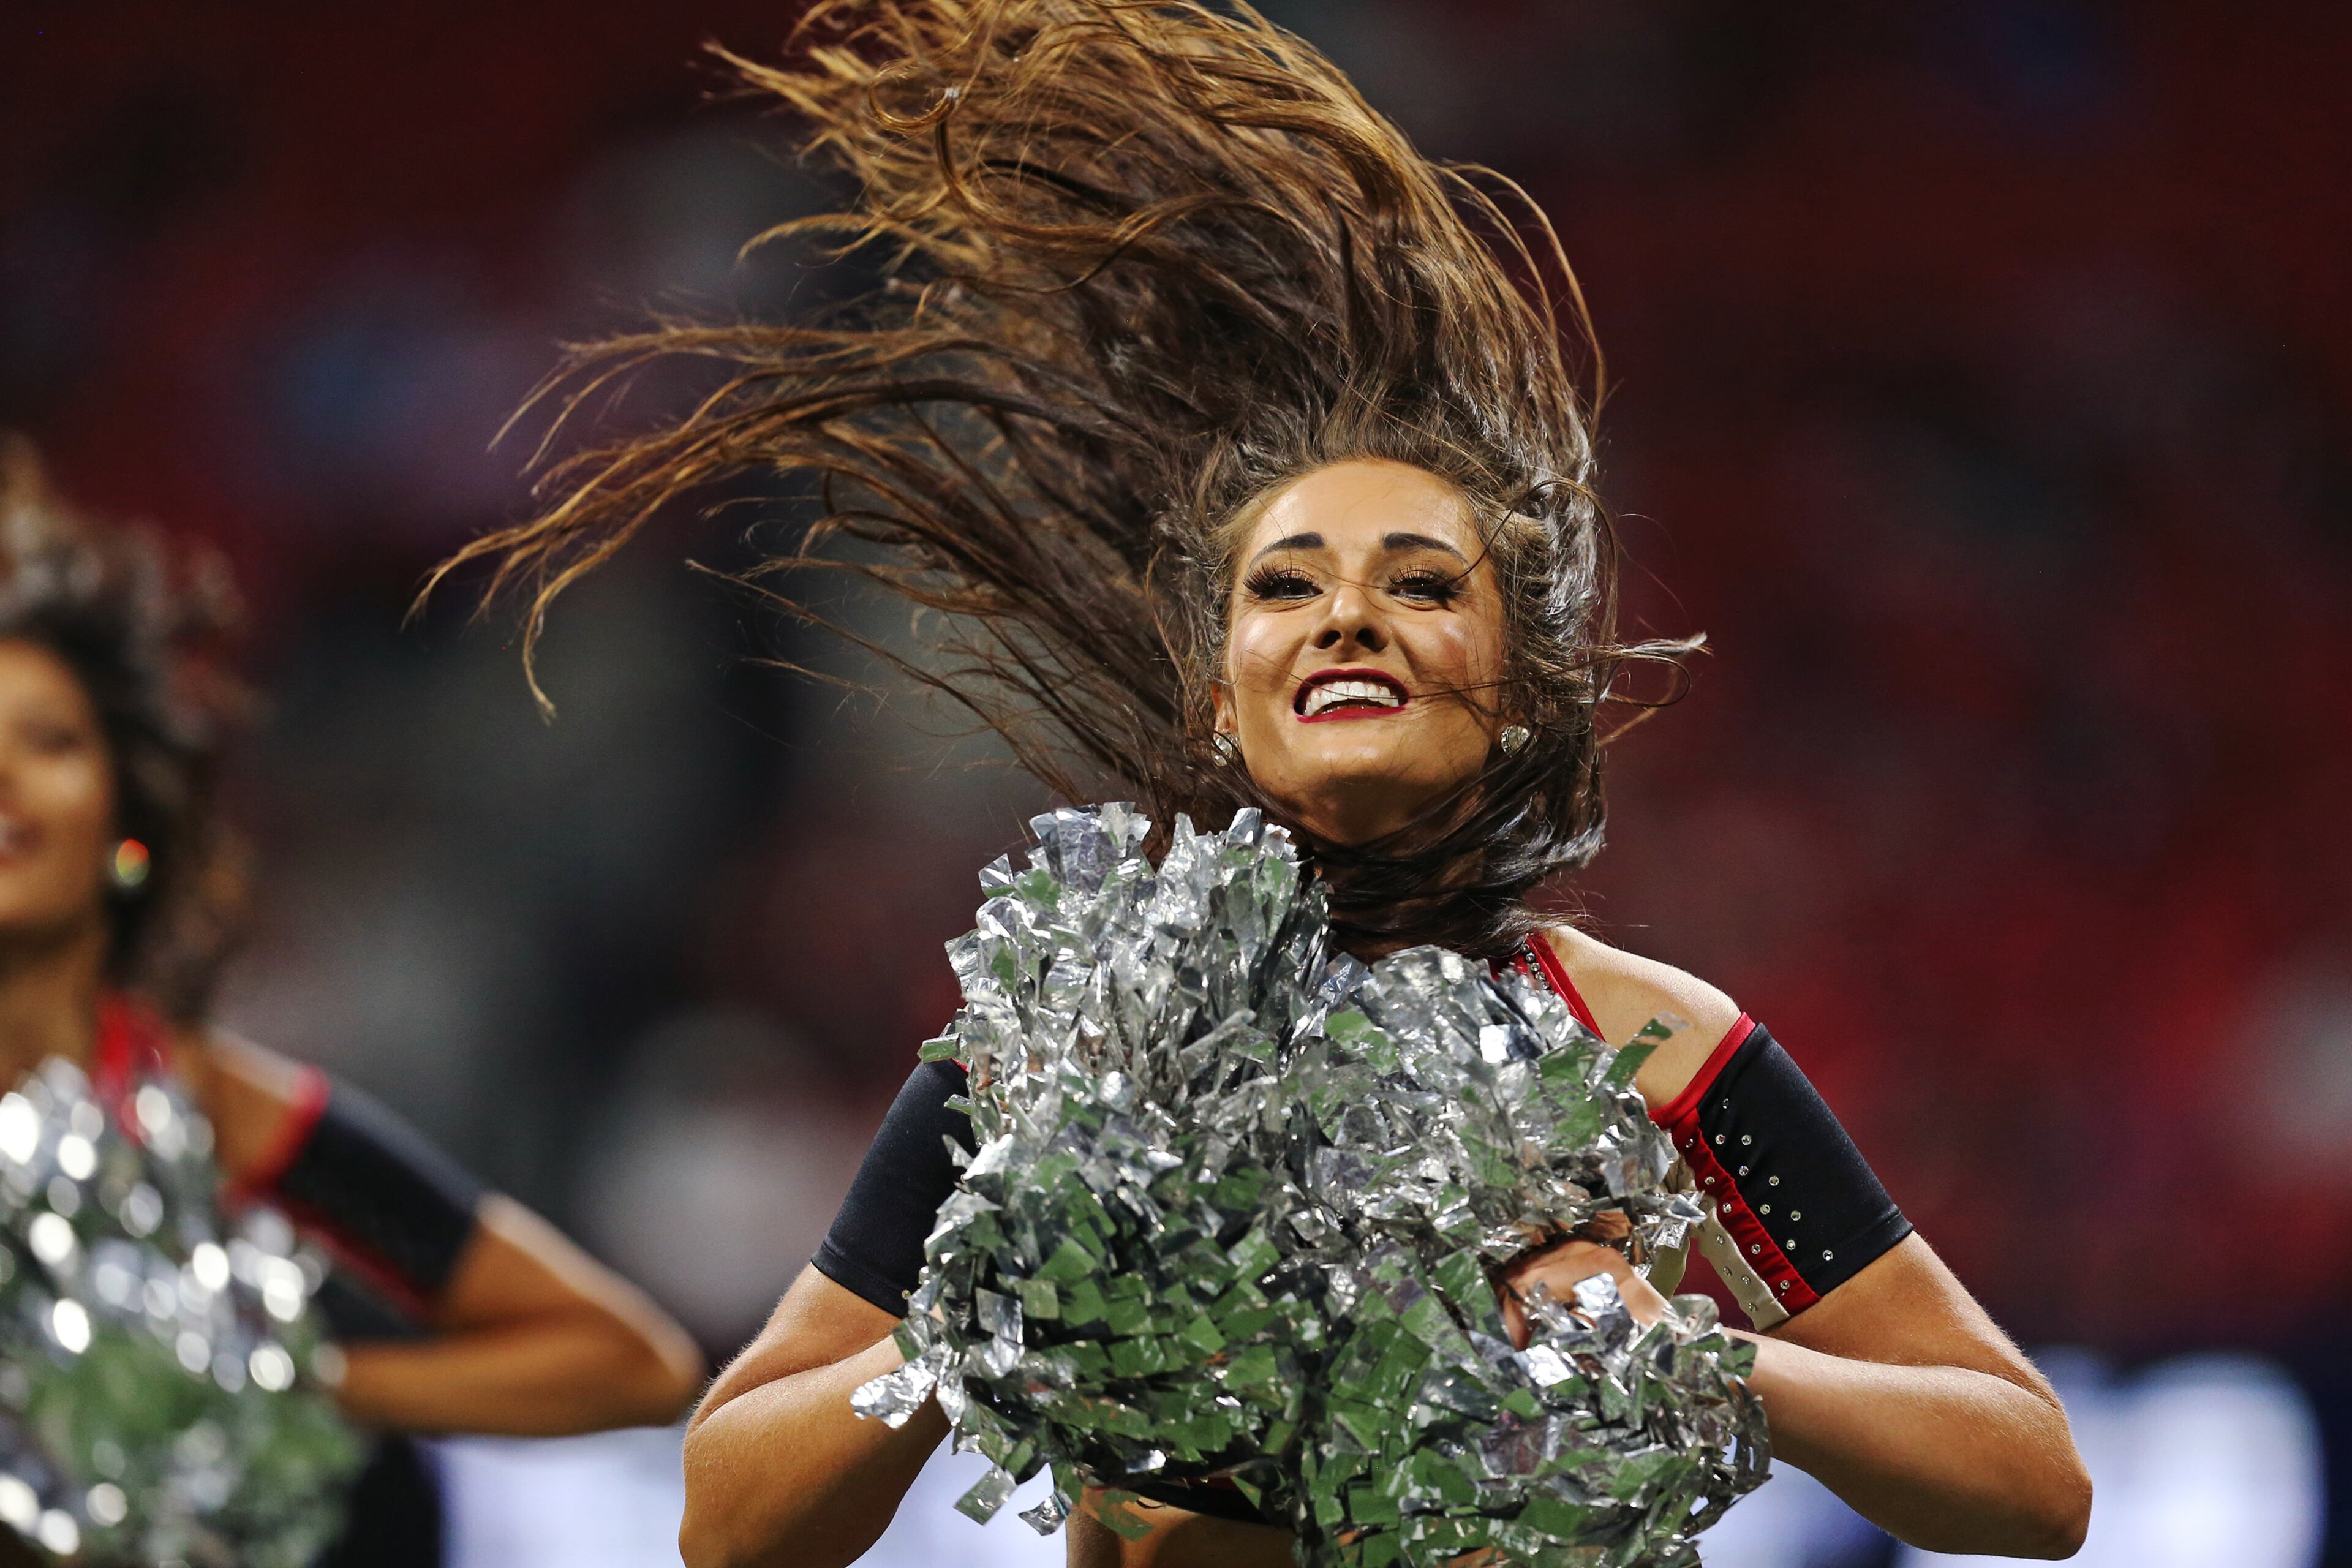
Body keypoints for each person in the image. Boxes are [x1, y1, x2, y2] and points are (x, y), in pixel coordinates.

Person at [440, 2, 2095, 1564]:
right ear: (1220, 695)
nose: (1348, 615)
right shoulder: (1062, 1056)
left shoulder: (1645, 1042)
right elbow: (728, 1517)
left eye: (1426, 583)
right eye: (1287, 585)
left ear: (1521, 690)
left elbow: (2031, 1481)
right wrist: (969, 1335)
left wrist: (1703, 1364)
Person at [0, 442, 705, 1564]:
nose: (6, 781)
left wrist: (266, 1389)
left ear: (125, 829)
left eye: (51, 741)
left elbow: (626, 1363)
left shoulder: (194, 1099)